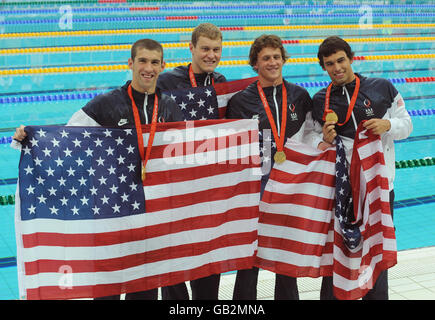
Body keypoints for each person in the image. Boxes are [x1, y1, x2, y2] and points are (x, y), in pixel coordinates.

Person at [12, 38, 184, 300]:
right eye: (142, 61)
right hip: (109, 210)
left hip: (150, 213)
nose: (148, 68)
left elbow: (181, 155)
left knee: (145, 289)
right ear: (131, 63)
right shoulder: (105, 104)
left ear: (163, 66)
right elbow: (67, 138)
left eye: (154, 62)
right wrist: (29, 138)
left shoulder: (170, 107)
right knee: (107, 288)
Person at [311, 36, 413, 300]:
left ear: (351, 58)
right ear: (324, 67)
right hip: (341, 190)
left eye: (340, 60)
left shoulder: (382, 88)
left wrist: (387, 125)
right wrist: (323, 139)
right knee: (337, 249)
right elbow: (311, 141)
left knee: (376, 249)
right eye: (329, 64)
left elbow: (407, 124)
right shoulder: (321, 99)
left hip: (379, 187)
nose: (336, 68)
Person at [226, 34, 317, 300]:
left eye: (277, 57)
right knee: (250, 256)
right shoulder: (241, 101)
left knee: (286, 254)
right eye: (266, 58)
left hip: (291, 186)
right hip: (256, 188)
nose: (273, 62)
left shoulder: (299, 95)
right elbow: (234, 148)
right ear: (255, 63)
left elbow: (311, 133)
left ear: (284, 59)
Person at [155, 22, 226, 301]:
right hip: (175, 183)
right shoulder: (167, 82)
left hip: (209, 184)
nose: (211, 55)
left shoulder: (221, 83)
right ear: (192, 48)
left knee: (209, 254)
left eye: (216, 49)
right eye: (205, 49)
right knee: (173, 255)